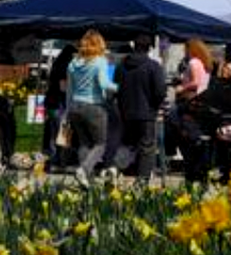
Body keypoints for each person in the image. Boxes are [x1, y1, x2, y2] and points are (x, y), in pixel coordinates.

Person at [66, 30, 118, 187]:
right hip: (94, 106)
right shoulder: (99, 61)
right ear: (99, 44)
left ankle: (86, 178)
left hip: (75, 106)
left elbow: (70, 89)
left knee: (84, 144)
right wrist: (120, 87)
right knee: (100, 144)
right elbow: (104, 84)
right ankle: (83, 170)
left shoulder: (73, 63)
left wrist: (68, 110)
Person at [114, 34, 167, 182]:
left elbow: (115, 88)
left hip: (125, 113)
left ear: (134, 46)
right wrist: (155, 106)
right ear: (149, 48)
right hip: (146, 114)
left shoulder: (121, 65)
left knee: (125, 145)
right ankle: (142, 182)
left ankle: (116, 174)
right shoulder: (153, 66)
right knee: (146, 148)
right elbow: (160, 92)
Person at [42, 43, 77, 167]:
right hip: (60, 104)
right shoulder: (65, 66)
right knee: (63, 134)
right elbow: (63, 88)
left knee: (53, 133)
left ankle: (52, 159)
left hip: (50, 103)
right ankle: (62, 161)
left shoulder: (56, 64)